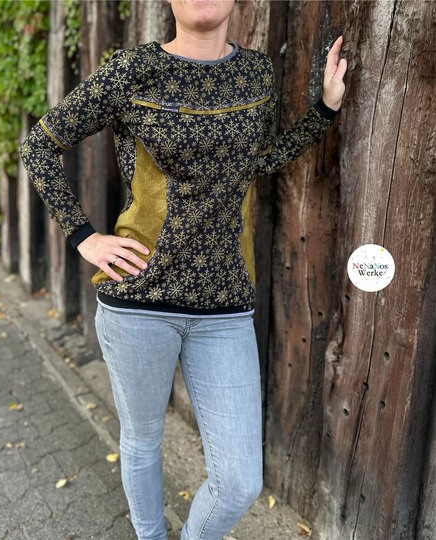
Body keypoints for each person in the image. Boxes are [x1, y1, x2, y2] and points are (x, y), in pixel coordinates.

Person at [21, 1, 346, 538]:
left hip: (225, 308)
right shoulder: (133, 70)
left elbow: (259, 161)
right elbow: (40, 145)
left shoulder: (255, 73)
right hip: (138, 303)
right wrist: (85, 238)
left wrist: (325, 111)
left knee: (240, 481)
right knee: (142, 440)